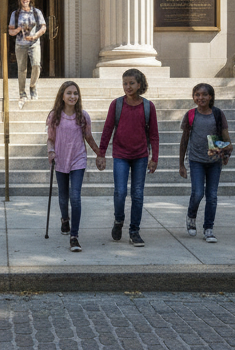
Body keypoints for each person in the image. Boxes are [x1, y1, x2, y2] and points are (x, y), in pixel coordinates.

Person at [96, 68, 159, 248]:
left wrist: (154, 157)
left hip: (140, 156)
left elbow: (154, 135)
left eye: (131, 83)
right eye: (125, 83)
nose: (128, 86)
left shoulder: (148, 106)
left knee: (138, 194)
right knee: (120, 192)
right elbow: (108, 129)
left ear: (139, 84)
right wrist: (101, 153)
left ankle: (134, 231)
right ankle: (118, 220)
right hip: (121, 155)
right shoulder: (116, 105)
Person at [46, 80, 100, 253]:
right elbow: (50, 139)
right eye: (69, 93)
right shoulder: (54, 115)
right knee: (63, 195)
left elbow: (89, 137)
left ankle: (74, 237)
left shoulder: (82, 116)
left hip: (78, 159)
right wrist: (50, 152)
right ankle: (64, 220)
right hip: (61, 158)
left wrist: (99, 153)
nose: (73, 96)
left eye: (75, 93)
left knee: (75, 197)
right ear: (62, 95)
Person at [179, 83, 234, 243]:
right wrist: (181, 163)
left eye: (204, 95)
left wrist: (226, 149)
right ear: (193, 97)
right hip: (196, 160)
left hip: (214, 161)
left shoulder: (217, 114)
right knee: (197, 193)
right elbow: (184, 140)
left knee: (212, 196)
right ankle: (191, 216)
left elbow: (225, 137)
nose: (200, 98)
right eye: (197, 94)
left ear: (211, 97)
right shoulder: (191, 115)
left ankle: (208, 228)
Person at [8, 0, 46, 107]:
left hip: (34, 43)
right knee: (22, 69)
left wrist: (35, 35)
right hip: (20, 44)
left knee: (36, 65)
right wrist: (18, 29)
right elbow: (10, 31)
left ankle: (33, 86)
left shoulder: (36, 12)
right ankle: (22, 93)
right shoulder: (15, 14)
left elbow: (43, 28)